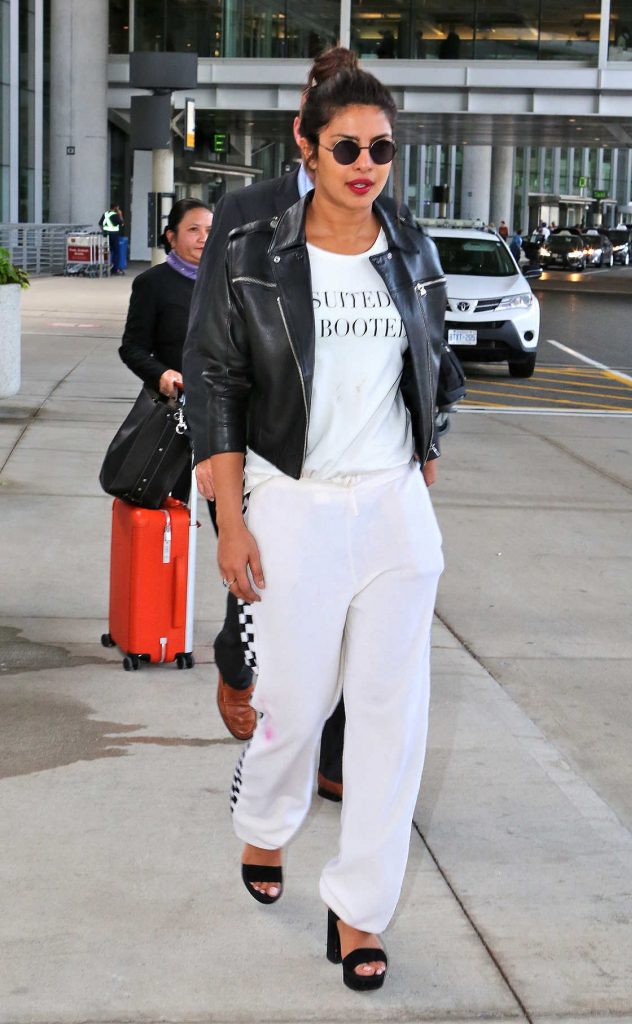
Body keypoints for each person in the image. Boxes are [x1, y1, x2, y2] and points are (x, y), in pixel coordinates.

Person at [199, 58, 445, 991]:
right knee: (295, 708)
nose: (365, 164)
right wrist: (232, 521)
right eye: (346, 146)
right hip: (292, 501)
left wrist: (427, 447)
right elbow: (218, 384)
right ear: (306, 146)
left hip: (391, 508)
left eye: (381, 148)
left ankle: (358, 910)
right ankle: (265, 823)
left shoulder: (410, 249)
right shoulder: (255, 249)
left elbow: (434, 365)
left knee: (390, 717)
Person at [184, 49, 384, 794]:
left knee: (343, 615)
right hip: (263, 446)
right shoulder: (246, 211)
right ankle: (240, 667)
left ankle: (328, 758)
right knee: (269, 598)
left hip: (355, 457)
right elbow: (209, 338)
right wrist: (211, 444)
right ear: (304, 128)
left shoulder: (382, 212)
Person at [119, 199, 212, 402]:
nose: (203, 238)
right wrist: (162, 374)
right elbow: (132, 348)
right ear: (172, 237)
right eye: (194, 229)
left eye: (210, 230)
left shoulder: (232, 279)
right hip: (181, 403)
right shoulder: (152, 283)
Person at [100, 204, 125, 276]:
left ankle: (105, 267)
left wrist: (104, 231)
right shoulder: (115, 215)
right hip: (114, 235)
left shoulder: (105, 214)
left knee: (106, 251)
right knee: (116, 252)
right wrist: (120, 214)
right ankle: (115, 269)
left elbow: (100, 224)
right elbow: (122, 224)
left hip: (106, 235)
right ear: (115, 208)